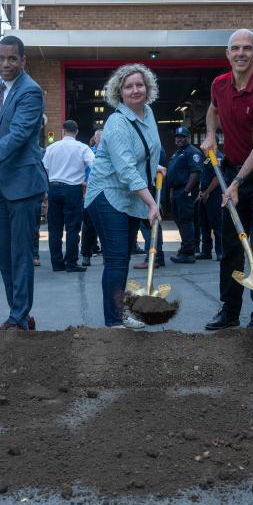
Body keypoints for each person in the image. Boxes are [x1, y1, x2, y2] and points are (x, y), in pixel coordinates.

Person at [200, 29, 253, 331]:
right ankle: (229, 312)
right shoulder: (219, 84)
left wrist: (236, 183)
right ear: (227, 53)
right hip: (233, 171)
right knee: (232, 249)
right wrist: (211, 135)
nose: (241, 53)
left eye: (247, 48)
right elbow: (212, 110)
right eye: (235, 48)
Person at [0, 36, 48, 331]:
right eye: (1, 58)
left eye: (12, 58)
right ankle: (20, 315)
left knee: (20, 254)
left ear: (23, 60)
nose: (6, 64)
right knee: (4, 255)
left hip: (24, 185)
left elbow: (16, 136)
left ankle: (18, 318)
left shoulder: (31, 92)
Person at [84, 63, 163, 329]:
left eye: (139, 84)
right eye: (128, 86)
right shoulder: (117, 122)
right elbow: (127, 169)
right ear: (120, 92)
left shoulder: (148, 114)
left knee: (123, 258)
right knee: (116, 260)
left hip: (128, 197)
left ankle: (119, 314)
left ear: (147, 88)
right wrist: (152, 203)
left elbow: (146, 150)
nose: (135, 90)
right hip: (108, 195)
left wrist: (155, 166)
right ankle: (114, 321)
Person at [42, 119, 95, 271]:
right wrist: (88, 183)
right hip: (73, 190)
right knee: (72, 229)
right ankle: (71, 263)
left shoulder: (51, 148)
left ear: (63, 131)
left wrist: (46, 189)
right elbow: (95, 166)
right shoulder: (82, 148)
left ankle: (57, 264)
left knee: (55, 229)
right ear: (76, 132)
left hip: (54, 189)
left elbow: (44, 170)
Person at [167, 126, 202, 264]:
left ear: (188, 138)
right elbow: (173, 175)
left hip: (185, 191)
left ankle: (188, 253)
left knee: (186, 221)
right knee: (180, 221)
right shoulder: (177, 153)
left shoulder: (193, 152)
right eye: (177, 137)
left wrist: (186, 191)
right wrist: (171, 192)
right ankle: (185, 248)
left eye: (182, 137)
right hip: (176, 191)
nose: (179, 139)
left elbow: (195, 172)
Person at [133, 146, 167, 269]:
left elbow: (155, 171)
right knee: (151, 225)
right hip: (150, 191)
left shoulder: (155, 150)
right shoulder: (153, 149)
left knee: (149, 225)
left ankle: (153, 258)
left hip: (150, 192)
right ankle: (157, 257)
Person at [195, 149, 224, 261]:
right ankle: (206, 252)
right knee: (204, 224)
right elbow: (204, 175)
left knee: (217, 225)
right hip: (204, 195)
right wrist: (201, 192)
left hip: (214, 195)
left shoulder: (218, 157)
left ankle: (220, 252)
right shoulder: (207, 157)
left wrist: (207, 192)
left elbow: (218, 176)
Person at [80, 129, 103, 266]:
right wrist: (84, 187)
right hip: (89, 193)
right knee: (88, 226)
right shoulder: (88, 153)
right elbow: (80, 175)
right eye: (100, 138)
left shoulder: (111, 153)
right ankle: (86, 255)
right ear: (95, 139)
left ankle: (107, 256)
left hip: (107, 193)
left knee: (107, 226)